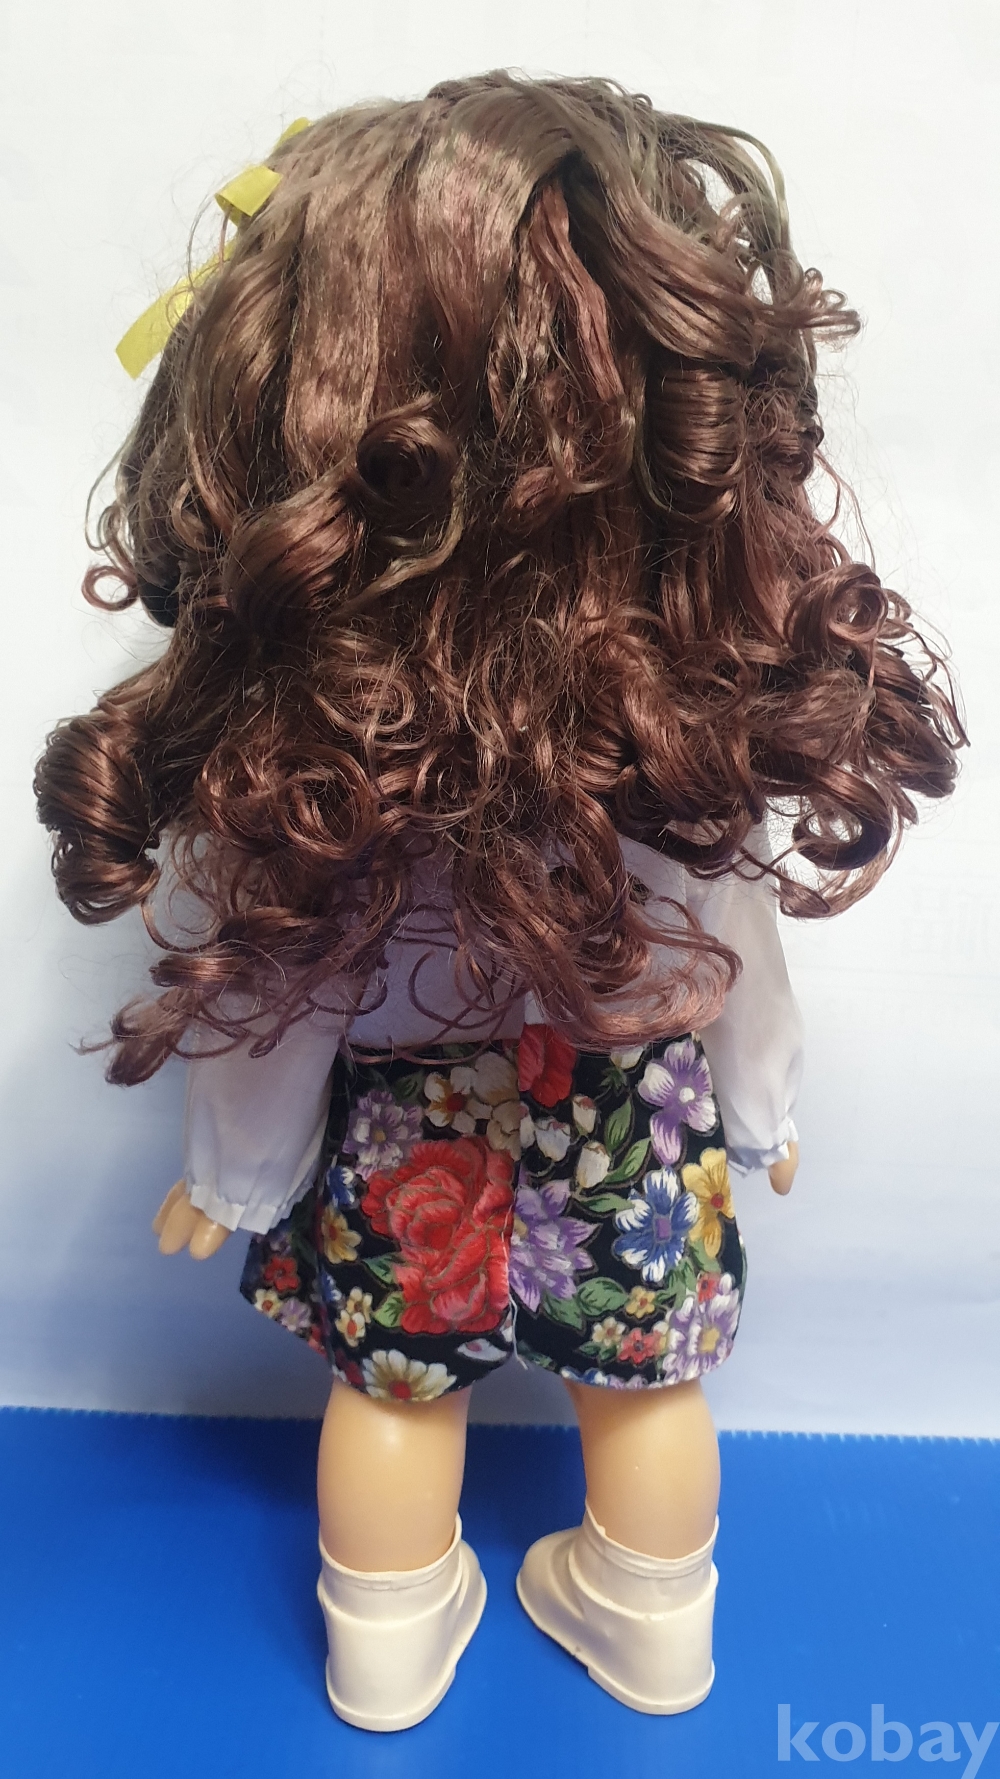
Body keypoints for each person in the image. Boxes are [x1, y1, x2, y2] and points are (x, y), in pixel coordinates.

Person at [34, 72, 962, 1732]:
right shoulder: (671, 741)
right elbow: (730, 939)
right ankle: (652, 1619)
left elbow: (281, 988)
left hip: (415, 1127)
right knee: (649, 1389)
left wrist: (234, 1173)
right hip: (635, 1103)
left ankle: (385, 1640)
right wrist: (762, 1105)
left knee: (398, 1402)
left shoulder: (323, 774)